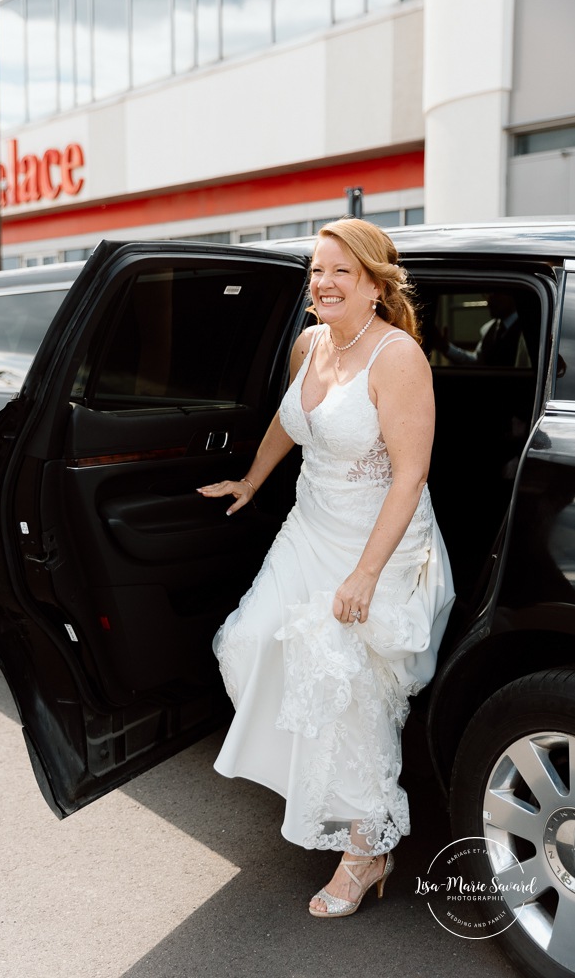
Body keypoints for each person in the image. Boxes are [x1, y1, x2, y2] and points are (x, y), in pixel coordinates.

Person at [197, 217, 454, 918]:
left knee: (349, 686)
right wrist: (252, 480)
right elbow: (292, 419)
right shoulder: (309, 342)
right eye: (316, 269)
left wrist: (366, 575)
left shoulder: (396, 357)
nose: (324, 282)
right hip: (306, 528)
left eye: (342, 270)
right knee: (247, 645)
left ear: (374, 284)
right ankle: (318, 787)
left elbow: (409, 477)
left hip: (378, 542)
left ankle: (365, 847)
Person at [435, 292, 530, 367]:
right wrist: (446, 348)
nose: (490, 300)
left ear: (512, 296)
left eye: (496, 294)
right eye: (488, 294)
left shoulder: (527, 330)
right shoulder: (488, 328)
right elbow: (476, 361)